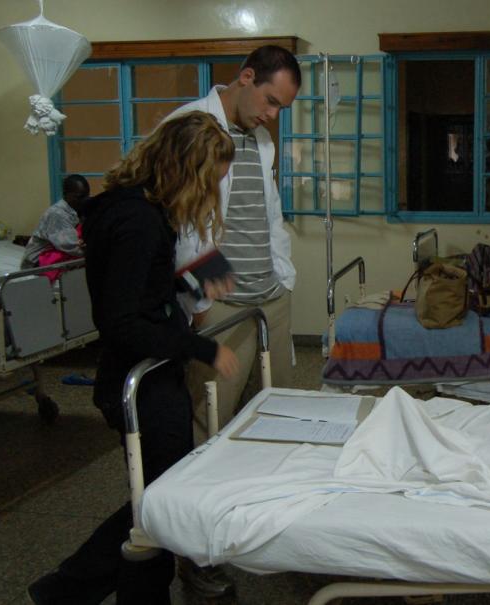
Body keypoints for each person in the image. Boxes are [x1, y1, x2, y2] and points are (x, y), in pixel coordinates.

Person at [27, 112, 239, 605]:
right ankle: (67, 588)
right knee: (160, 503)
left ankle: (134, 593)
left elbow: (142, 293)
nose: (210, 196)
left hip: (151, 375)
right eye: (210, 182)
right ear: (185, 171)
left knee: (160, 497)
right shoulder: (137, 221)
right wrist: (201, 346)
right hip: (139, 382)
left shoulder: (136, 210)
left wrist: (192, 281)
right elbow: (121, 321)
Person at [167, 45, 300, 444]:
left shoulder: (260, 139)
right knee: (209, 420)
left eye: (281, 109)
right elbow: (181, 225)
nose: (272, 115)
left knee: (280, 413)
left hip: (270, 296)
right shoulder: (190, 127)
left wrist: (284, 277)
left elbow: (269, 212)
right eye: (270, 101)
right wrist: (200, 302)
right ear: (246, 78)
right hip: (221, 303)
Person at [21, 174, 90, 269]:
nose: (84, 200)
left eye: (86, 196)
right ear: (66, 194)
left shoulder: (77, 210)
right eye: (79, 197)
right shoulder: (57, 214)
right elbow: (73, 247)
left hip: (59, 256)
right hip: (37, 263)